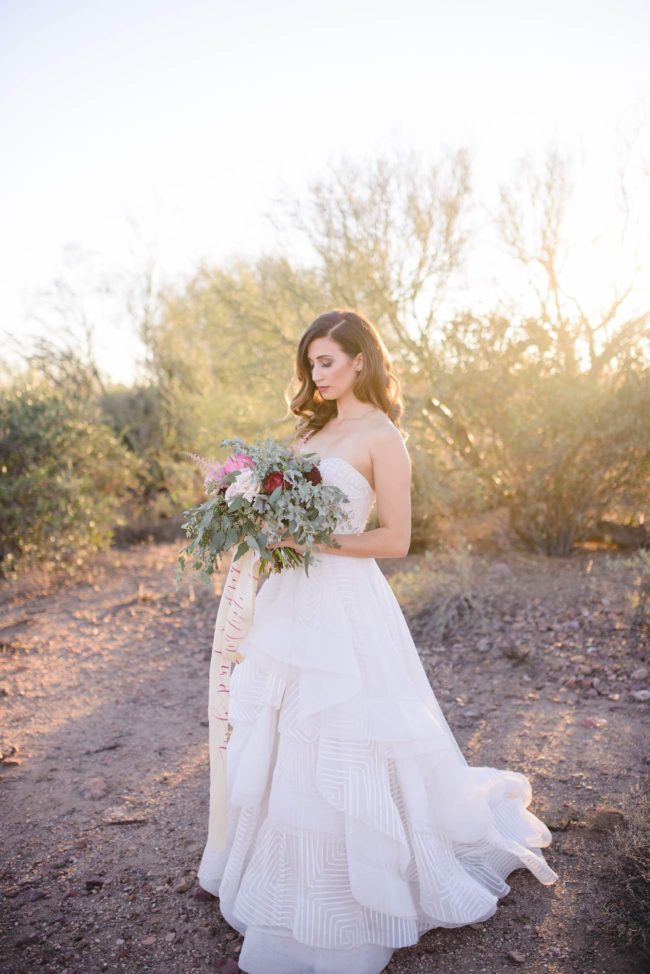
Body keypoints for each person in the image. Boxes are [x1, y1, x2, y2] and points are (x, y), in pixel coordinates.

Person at [196, 309, 558, 974]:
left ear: (360, 359)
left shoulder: (382, 436)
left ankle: (357, 893)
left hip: (347, 605)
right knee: (283, 732)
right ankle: (280, 875)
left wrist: (309, 538)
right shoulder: (313, 431)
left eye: (327, 361)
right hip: (291, 598)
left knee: (343, 731)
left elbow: (396, 538)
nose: (317, 375)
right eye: (310, 365)